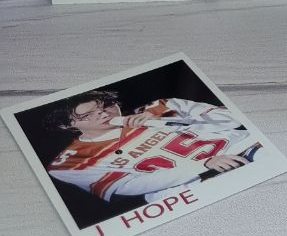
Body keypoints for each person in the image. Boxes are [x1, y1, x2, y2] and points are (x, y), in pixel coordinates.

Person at [44, 88, 261, 206]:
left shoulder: (159, 107)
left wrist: (163, 121)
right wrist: (204, 164)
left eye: (106, 105)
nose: (102, 113)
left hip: (245, 150)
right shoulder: (71, 163)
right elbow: (132, 186)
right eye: (87, 114)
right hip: (192, 188)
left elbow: (232, 119)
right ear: (66, 124)